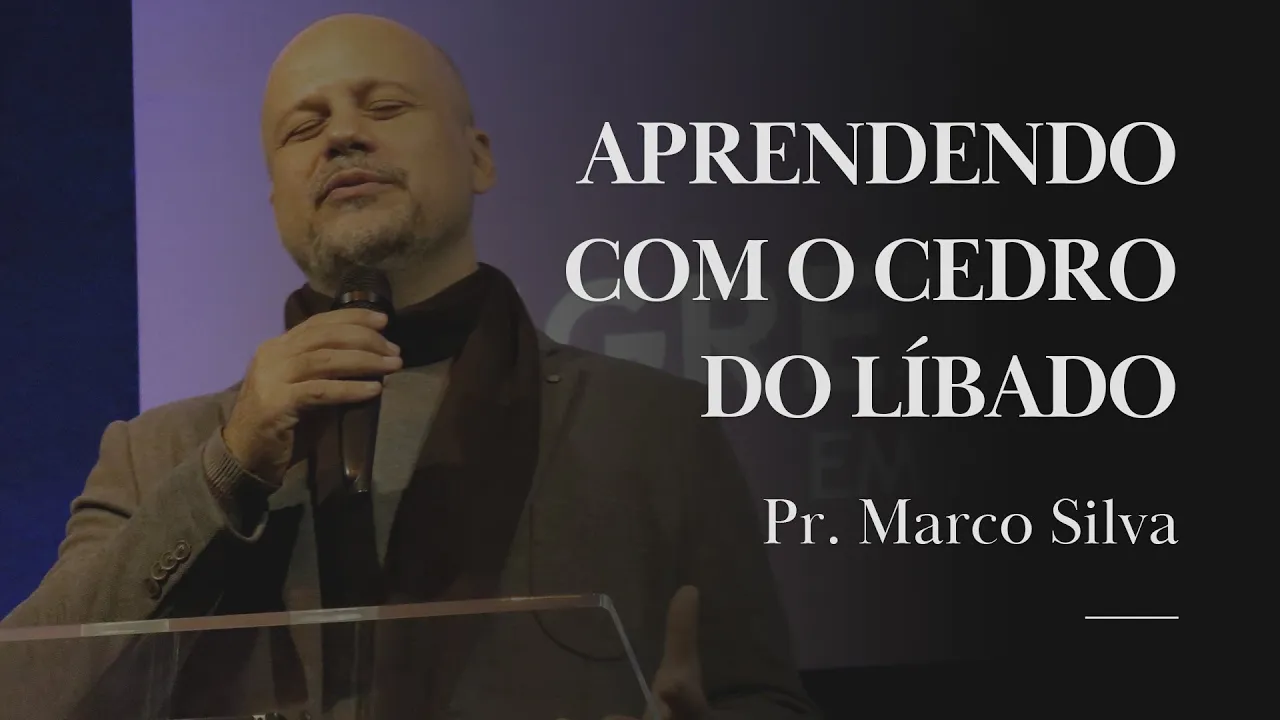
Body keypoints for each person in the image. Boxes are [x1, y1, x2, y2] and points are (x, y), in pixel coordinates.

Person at [0, 13, 819, 720]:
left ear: (479, 158)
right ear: (277, 201)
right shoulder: (153, 455)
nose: (342, 135)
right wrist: (227, 467)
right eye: (302, 129)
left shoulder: (653, 427)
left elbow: (760, 696)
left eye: (385, 107)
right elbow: (22, 692)